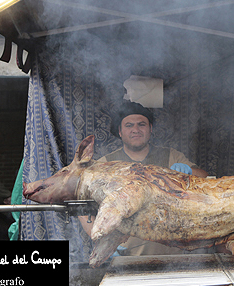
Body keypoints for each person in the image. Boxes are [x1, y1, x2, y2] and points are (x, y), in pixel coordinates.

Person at [79, 101, 208, 255]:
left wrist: (188, 171)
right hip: (125, 256)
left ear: (150, 129)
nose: (136, 130)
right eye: (129, 125)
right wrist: (102, 240)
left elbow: (205, 178)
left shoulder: (171, 156)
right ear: (120, 131)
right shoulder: (106, 164)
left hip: (172, 255)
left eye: (141, 124)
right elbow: (81, 206)